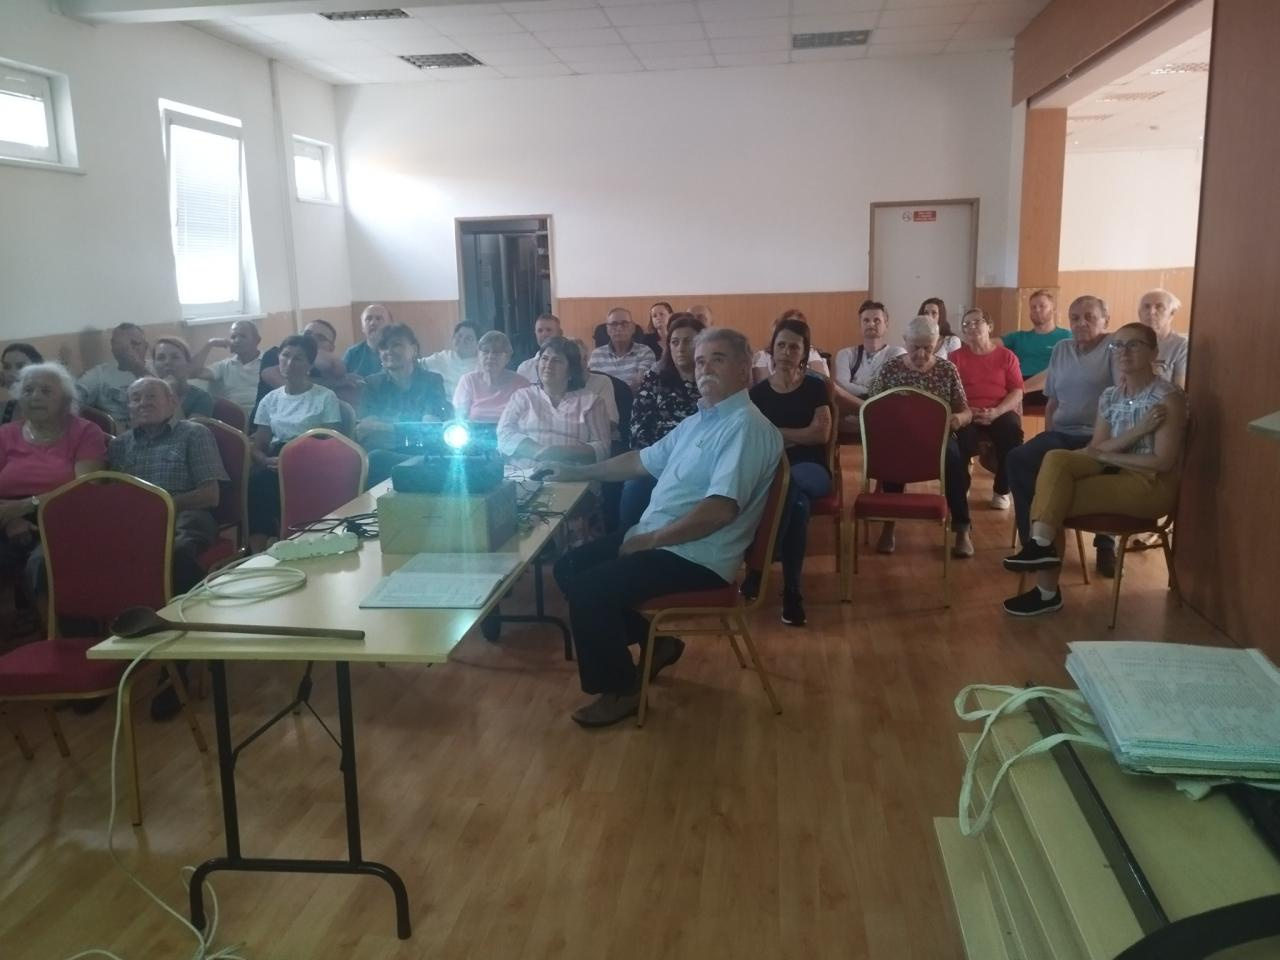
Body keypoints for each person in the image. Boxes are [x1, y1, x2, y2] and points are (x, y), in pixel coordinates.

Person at [548, 328, 782, 728]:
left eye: (718, 359)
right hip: (664, 539)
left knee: (590, 591)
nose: (704, 368)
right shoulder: (701, 421)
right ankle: (657, 644)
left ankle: (621, 690)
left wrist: (650, 541)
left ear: (745, 367)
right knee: (569, 567)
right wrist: (576, 472)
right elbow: (640, 460)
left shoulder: (745, 427)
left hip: (696, 554)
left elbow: (719, 511)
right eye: (701, 360)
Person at [1002, 323, 1186, 616]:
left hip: (1149, 485)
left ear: (1153, 352)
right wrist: (1137, 432)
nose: (1124, 351)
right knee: (1056, 459)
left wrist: (1109, 455)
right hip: (1115, 472)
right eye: (1118, 345)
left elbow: (1161, 462)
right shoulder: (1110, 395)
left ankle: (1046, 589)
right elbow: (1097, 448)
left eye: (1134, 345)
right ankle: (1040, 545)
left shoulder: (1167, 397)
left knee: (1054, 499)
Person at [1005, 295, 1118, 577]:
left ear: (1106, 320)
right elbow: (1053, 402)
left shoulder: (1114, 349)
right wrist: (1048, 436)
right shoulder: (1062, 349)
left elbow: (1123, 400)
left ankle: (1105, 543)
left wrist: (1106, 441)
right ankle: (1034, 542)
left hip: (1100, 437)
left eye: (1090, 317)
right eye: (1075, 318)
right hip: (1063, 433)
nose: (1081, 323)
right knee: (1018, 459)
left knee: (1107, 471)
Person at [744, 316, 832, 625]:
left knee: (789, 484)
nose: (786, 352)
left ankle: (758, 567)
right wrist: (798, 434)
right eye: (780, 345)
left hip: (811, 468)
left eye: (794, 347)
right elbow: (755, 441)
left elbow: (821, 435)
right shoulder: (757, 395)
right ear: (772, 349)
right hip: (770, 471)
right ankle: (792, 592)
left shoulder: (815, 387)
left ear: (804, 352)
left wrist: (777, 434)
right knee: (796, 505)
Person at [867, 314, 975, 558]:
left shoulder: (947, 370)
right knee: (892, 459)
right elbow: (873, 404)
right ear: (905, 341)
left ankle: (962, 530)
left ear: (937, 343)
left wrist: (958, 419)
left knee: (955, 461)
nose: (922, 354)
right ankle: (889, 524)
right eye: (916, 347)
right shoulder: (891, 368)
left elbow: (965, 410)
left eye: (928, 347)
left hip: (939, 439)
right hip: (900, 437)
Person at [0, 363, 107, 603]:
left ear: (66, 401)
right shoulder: (5, 434)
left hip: (65, 515)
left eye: (46, 391)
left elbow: (86, 489)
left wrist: (28, 505)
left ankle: (51, 624)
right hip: (7, 516)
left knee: (43, 564)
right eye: (28, 390)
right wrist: (10, 519)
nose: (35, 397)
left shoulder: (85, 432)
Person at [109, 378, 227, 595]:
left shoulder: (194, 433)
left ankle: (188, 608)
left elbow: (210, 495)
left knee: (176, 550)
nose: (143, 403)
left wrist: (161, 506)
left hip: (186, 514)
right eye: (135, 398)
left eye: (151, 396)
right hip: (136, 518)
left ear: (171, 403)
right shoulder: (119, 445)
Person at [248, 334, 342, 550]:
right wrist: (265, 461)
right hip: (277, 459)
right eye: (285, 356)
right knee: (257, 482)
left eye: (298, 358)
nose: (289, 363)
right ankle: (260, 547)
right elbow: (259, 445)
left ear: (309, 365)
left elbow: (333, 441)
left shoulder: (325, 397)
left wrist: (300, 460)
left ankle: (298, 539)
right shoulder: (270, 400)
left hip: (314, 459)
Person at [620, 313, 704, 528]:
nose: (680, 348)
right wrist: (660, 459)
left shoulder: (709, 383)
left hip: (697, 463)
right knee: (634, 487)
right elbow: (638, 428)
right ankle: (628, 540)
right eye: (675, 342)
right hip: (656, 460)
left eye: (688, 342)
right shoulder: (655, 379)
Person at [356, 324, 452, 487]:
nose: (389, 351)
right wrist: (412, 431)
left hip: (425, 455)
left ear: (414, 349)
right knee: (375, 458)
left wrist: (388, 429)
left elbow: (430, 427)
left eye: (396, 345)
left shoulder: (432, 381)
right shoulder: (372, 384)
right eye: (383, 347)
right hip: (386, 456)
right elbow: (366, 431)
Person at [949, 308, 1025, 510]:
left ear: (990, 326)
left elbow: (1017, 391)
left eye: (977, 322)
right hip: (967, 411)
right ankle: (961, 488)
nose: (971, 327)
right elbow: (949, 392)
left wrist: (997, 412)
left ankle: (1002, 490)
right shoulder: (955, 358)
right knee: (960, 436)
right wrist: (969, 411)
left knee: (1012, 432)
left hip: (999, 411)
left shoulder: (1006, 356)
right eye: (966, 324)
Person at [497, 337, 610, 470]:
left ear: (571, 369)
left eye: (557, 360)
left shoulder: (592, 402)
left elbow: (602, 449)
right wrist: (540, 452)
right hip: (522, 474)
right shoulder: (522, 396)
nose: (548, 365)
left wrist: (565, 453)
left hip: (573, 475)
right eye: (544, 359)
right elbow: (504, 433)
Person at [831, 300, 906, 425]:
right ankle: (871, 411)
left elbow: (892, 390)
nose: (871, 324)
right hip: (852, 414)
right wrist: (873, 393)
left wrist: (861, 391)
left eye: (877, 320)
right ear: (860, 325)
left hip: (886, 413)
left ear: (886, 324)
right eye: (866, 320)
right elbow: (842, 386)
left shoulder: (897, 353)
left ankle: (872, 413)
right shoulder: (846, 354)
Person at [258, 319, 355, 408]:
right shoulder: (277, 353)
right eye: (307, 334)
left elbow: (340, 370)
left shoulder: (325, 370)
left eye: (320, 338)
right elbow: (290, 388)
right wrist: (333, 383)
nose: (312, 339)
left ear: (331, 348)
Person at [1002, 290, 1069, 406]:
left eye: (1042, 306)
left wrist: (1019, 391)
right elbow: (989, 343)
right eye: (1033, 307)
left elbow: (1066, 368)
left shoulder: (1066, 336)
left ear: (1053, 309)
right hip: (1020, 384)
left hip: (1049, 387)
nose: (1037, 310)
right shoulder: (1018, 337)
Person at [77, 322, 149, 427]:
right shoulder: (99, 374)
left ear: (145, 346)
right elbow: (72, 399)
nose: (128, 349)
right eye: (122, 345)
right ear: (113, 347)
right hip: (118, 433)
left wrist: (137, 367)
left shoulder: (159, 367)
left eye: (135, 344)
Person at [190, 319, 264, 420]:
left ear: (257, 340)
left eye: (243, 336)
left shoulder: (269, 361)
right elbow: (193, 372)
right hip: (236, 418)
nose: (237, 340)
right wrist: (210, 344)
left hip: (264, 416)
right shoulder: (224, 366)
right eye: (233, 337)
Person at [453, 331, 529, 423]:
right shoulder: (468, 381)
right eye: (485, 351)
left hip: (509, 431)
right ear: (478, 355)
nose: (490, 356)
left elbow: (527, 420)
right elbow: (459, 417)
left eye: (497, 352)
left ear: (508, 357)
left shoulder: (521, 384)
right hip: (475, 431)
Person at [752, 309, 830, 382]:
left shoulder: (811, 353)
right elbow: (764, 384)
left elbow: (822, 381)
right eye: (781, 345)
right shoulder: (763, 355)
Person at [589, 308, 657, 390]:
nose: (619, 328)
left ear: (633, 328)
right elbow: (594, 385)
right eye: (614, 324)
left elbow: (640, 383)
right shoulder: (596, 354)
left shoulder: (645, 351)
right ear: (607, 329)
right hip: (604, 398)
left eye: (624, 323)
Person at [151, 337, 215, 419]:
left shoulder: (201, 398)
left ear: (188, 363)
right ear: (154, 365)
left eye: (175, 357)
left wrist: (171, 394)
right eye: (161, 358)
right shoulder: (144, 396)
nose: (167, 362)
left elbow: (189, 428)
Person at [1138, 288, 1189, 389]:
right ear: (1139, 313)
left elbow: (1180, 390)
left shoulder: (1181, 346)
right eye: (1147, 307)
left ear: (1172, 313)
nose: (1151, 312)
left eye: (1159, 307)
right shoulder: (1128, 342)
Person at [420, 322, 481, 398]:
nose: (462, 340)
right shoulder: (442, 357)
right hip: (442, 403)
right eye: (459, 336)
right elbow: (417, 364)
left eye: (468, 338)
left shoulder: (482, 364)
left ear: (478, 343)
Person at [343, 304, 391, 379]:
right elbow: (339, 379)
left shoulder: (399, 351)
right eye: (368, 319)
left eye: (379, 318)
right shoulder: (352, 353)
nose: (373, 323)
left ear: (390, 326)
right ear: (363, 327)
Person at [2, 343, 43, 425]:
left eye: (21, 366)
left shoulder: (53, 406)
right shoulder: (5, 410)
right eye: (6, 367)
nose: (11, 373)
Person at [516, 313, 562, 382]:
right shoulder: (525, 368)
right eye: (540, 331)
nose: (544, 334)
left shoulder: (568, 364)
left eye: (549, 330)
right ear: (535, 334)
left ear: (559, 333)